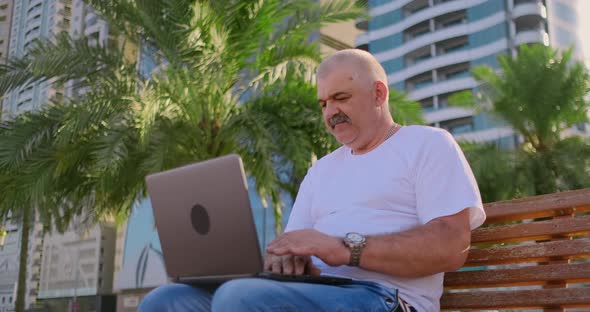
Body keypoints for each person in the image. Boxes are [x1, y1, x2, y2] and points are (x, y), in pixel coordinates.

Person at [138, 49, 486, 312]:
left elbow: (450, 246)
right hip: (316, 292)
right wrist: (286, 260)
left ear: (379, 94)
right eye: (323, 103)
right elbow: (296, 244)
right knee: (168, 300)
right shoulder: (321, 170)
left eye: (341, 98)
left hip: (387, 300)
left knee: (239, 297)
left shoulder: (428, 144)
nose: (330, 112)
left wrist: (343, 248)